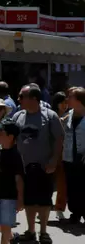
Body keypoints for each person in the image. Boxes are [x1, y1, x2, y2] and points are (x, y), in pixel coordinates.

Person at [11, 84, 64, 244]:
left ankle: (43, 232)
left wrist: (54, 160)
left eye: (21, 96)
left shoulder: (50, 116)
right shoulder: (18, 116)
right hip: (23, 166)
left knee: (44, 200)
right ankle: (31, 230)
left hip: (43, 166)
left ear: (33, 98)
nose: (18, 99)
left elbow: (59, 139)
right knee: (28, 200)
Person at [63, 87, 85, 225]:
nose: (67, 99)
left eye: (70, 96)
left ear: (79, 100)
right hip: (69, 156)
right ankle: (75, 213)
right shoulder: (68, 115)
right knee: (72, 186)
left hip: (83, 157)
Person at [52, 92, 71, 221]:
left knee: (62, 183)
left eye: (66, 102)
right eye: (62, 102)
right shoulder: (51, 116)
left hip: (63, 153)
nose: (65, 105)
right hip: (50, 152)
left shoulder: (69, 116)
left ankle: (59, 208)